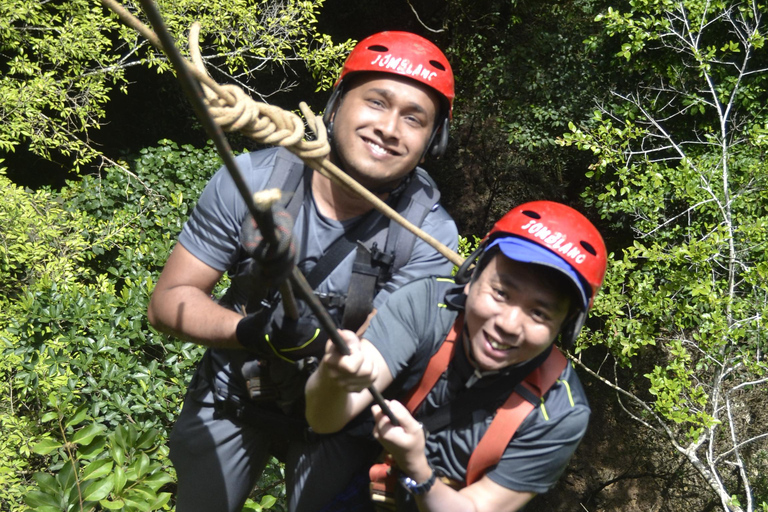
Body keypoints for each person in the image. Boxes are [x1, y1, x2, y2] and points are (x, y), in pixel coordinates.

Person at [147, 31, 459, 512]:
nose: (390, 128)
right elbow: (169, 302)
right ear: (335, 106)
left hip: (337, 414)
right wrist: (250, 331)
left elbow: (376, 353)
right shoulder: (252, 181)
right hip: (235, 386)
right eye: (376, 102)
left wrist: (329, 352)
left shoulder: (428, 237)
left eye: (414, 118)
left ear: (430, 142)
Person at [306, 200, 607, 512]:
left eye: (539, 313)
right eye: (501, 293)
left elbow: (476, 507)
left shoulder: (559, 412)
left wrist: (418, 469)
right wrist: (333, 376)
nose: (508, 325)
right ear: (471, 278)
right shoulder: (425, 308)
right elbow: (325, 419)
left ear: (566, 327)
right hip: (359, 474)